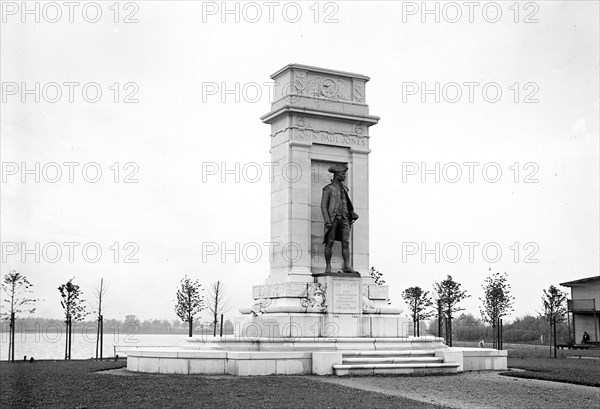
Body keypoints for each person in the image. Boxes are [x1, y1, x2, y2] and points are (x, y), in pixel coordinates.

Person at [321, 164, 359, 273]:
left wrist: (352, 212)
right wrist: (327, 220)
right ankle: (328, 266)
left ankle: (347, 266)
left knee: (346, 242)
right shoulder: (328, 188)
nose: (344, 176)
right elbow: (323, 205)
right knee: (330, 242)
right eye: (343, 174)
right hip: (333, 219)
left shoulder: (344, 189)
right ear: (337, 175)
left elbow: (347, 203)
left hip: (345, 219)